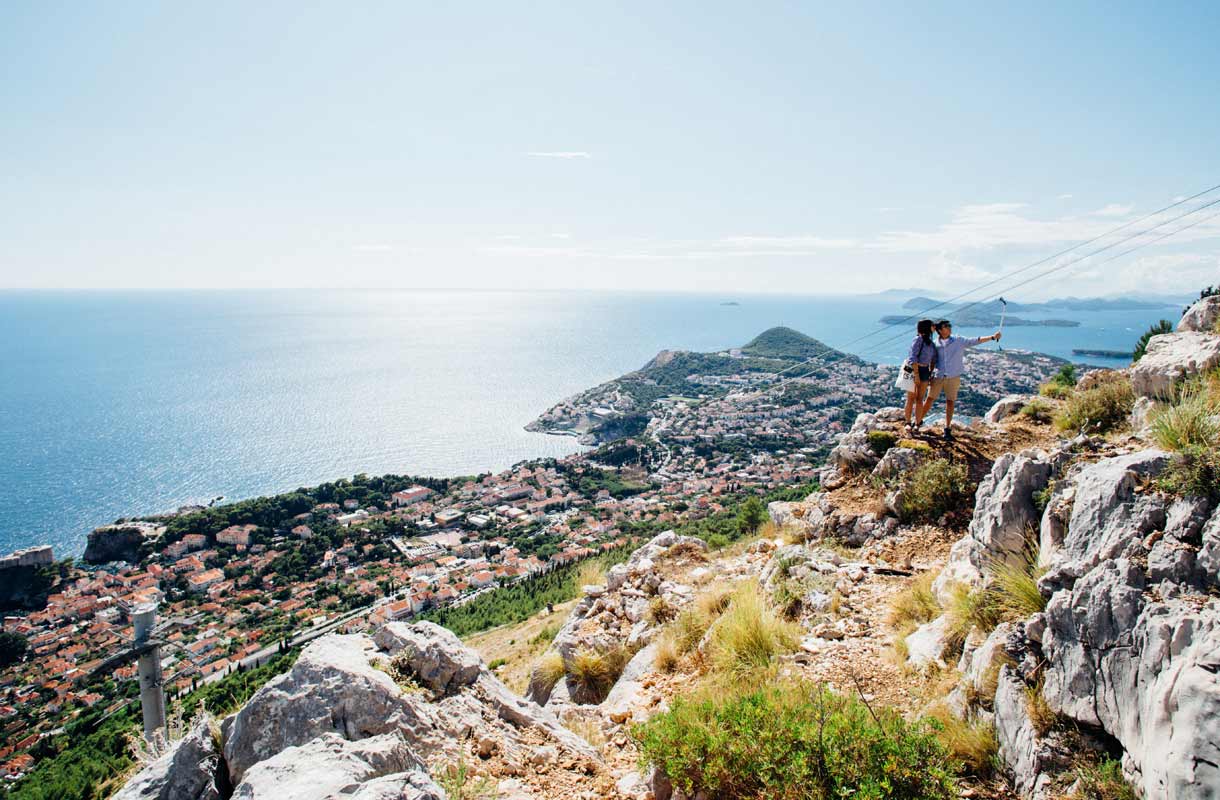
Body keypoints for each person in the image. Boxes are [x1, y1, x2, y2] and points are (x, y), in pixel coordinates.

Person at [922, 319, 1002, 440]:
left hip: (953, 376)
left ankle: (947, 429)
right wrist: (928, 375)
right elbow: (932, 360)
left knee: (950, 402)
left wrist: (992, 337)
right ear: (939, 330)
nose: (949, 328)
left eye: (949, 325)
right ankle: (918, 421)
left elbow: (975, 340)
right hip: (938, 376)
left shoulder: (958, 340)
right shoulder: (935, 344)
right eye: (946, 326)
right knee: (929, 399)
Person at [903, 319, 937, 432]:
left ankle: (917, 423)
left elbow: (933, 360)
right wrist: (917, 374)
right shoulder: (918, 340)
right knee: (911, 398)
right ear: (927, 327)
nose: (934, 327)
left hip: (925, 370)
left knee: (920, 399)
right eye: (932, 325)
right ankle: (907, 422)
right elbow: (913, 358)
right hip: (914, 370)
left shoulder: (931, 343)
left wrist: (931, 373)